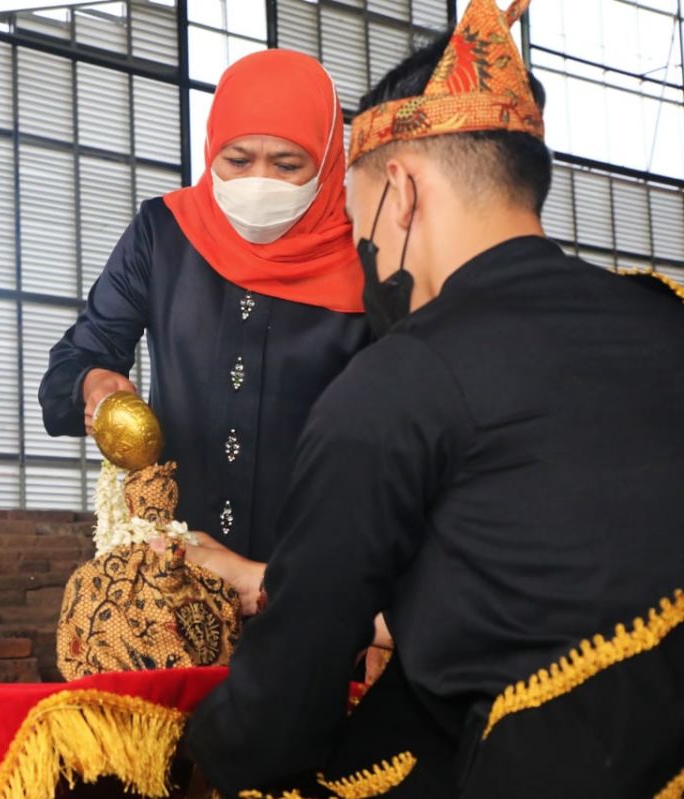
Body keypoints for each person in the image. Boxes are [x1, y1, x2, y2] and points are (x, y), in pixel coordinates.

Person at [183, 1, 684, 797]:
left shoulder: (398, 382)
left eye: (357, 226)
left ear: (402, 192)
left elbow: (279, 716)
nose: (361, 257)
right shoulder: (665, 312)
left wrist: (187, 750)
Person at [39, 49, 370, 562]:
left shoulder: (369, 257)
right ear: (211, 149)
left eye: (287, 165)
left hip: (318, 572)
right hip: (172, 563)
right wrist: (96, 383)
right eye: (237, 161)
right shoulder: (163, 233)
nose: (258, 182)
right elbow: (77, 359)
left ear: (328, 162)